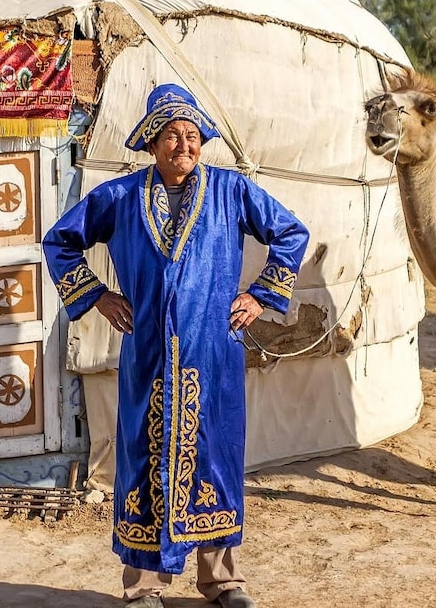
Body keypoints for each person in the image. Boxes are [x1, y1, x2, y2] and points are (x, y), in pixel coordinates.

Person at [43, 84, 309, 608]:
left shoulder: (232, 191)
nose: (183, 145)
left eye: (191, 135)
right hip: (147, 354)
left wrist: (260, 295)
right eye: (171, 135)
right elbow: (60, 241)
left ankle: (223, 582)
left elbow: (291, 233)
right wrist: (96, 295)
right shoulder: (117, 197)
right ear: (151, 142)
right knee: (142, 462)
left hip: (212, 355)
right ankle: (143, 588)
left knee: (215, 458)